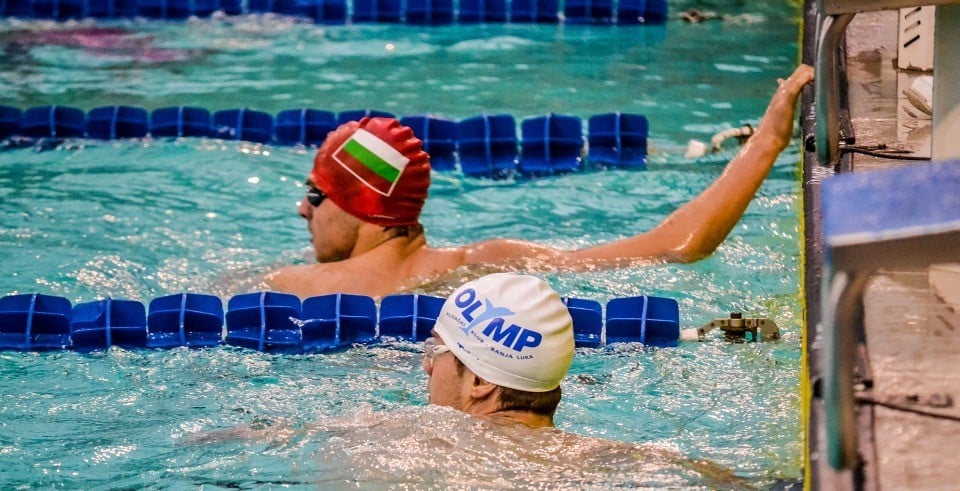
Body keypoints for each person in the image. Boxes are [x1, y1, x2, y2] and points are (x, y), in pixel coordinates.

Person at [264, 65, 814, 299]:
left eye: (316, 194)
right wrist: (766, 145)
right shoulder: (484, 265)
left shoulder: (293, 286)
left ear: (363, 207)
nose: (301, 211)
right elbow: (673, 247)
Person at [421, 272, 574, 428]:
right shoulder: (591, 451)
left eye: (435, 350)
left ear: (480, 381)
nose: (427, 364)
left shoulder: (429, 440)